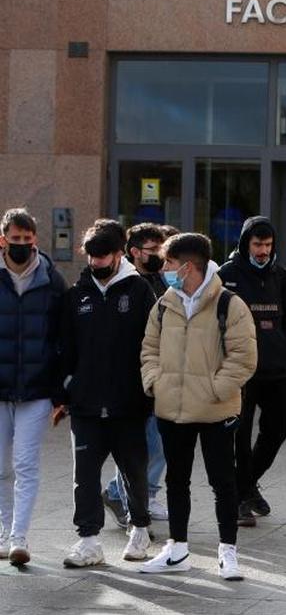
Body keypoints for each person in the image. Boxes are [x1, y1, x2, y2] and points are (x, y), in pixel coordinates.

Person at [138, 233, 257, 581]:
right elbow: (149, 349)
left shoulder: (229, 304)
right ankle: (177, 549)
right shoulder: (164, 304)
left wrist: (214, 390)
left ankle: (228, 552)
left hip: (215, 409)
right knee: (177, 480)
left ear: (187, 266)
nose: (165, 270)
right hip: (172, 409)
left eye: (169, 264)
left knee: (223, 482)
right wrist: (155, 382)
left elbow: (244, 357)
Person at [57, 220, 157, 567]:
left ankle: (140, 530)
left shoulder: (140, 292)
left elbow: (152, 345)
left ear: (119, 254)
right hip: (85, 405)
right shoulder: (76, 295)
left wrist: (149, 393)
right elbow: (65, 348)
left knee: (134, 471)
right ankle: (88, 542)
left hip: (129, 404)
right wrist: (66, 390)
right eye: (92, 259)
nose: (97, 265)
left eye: (104, 258)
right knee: (84, 476)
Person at [218, 216, 286, 527]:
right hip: (241, 373)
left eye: (267, 245)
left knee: (277, 431)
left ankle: (246, 486)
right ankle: (241, 497)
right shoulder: (228, 275)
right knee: (239, 435)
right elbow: (217, 321)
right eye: (257, 244)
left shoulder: (280, 276)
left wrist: (283, 346)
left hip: (276, 371)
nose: (263, 251)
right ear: (245, 244)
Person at [0, 208, 66, 566]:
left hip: (36, 390)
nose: (22, 245)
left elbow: (63, 338)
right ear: (3, 239)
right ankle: (3, 528)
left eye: (27, 240)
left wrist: (60, 392)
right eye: (15, 239)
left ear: (36, 240)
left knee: (25, 464)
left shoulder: (52, 281)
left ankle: (19, 537)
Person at [102, 222, 169, 529]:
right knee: (139, 445)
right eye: (152, 250)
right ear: (133, 252)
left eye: (161, 249)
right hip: (134, 376)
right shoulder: (125, 284)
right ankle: (126, 495)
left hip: (159, 372)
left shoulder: (160, 280)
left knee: (157, 443)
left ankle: (134, 494)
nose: (158, 255)